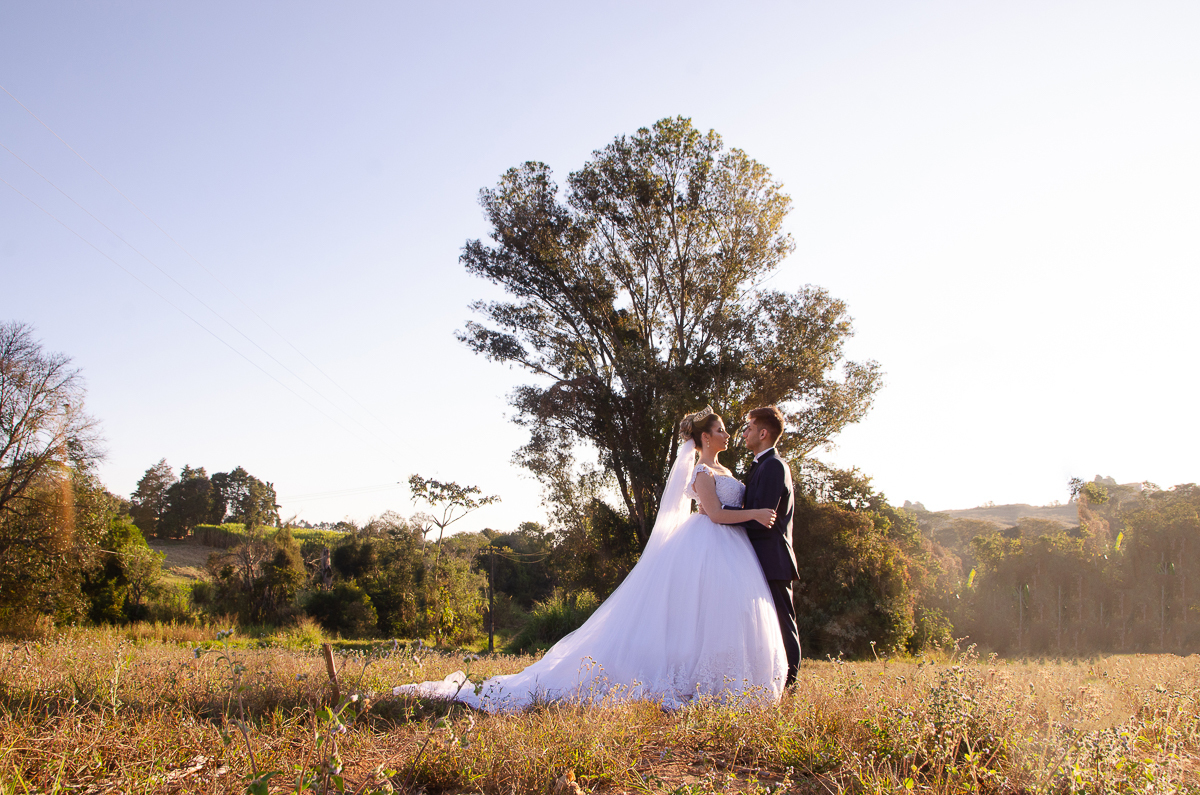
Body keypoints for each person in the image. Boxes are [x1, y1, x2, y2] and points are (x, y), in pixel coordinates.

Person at [393, 407, 787, 712]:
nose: (728, 433)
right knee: (691, 614)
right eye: (720, 429)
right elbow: (715, 514)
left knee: (715, 617)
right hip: (708, 543)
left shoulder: (728, 468)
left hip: (731, 553)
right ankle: (688, 679)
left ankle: (721, 679)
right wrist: (753, 514)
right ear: (705, 436)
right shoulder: (702, 470)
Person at [724, 406, 802, 687]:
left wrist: (721, 518)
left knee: (782, 624)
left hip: (773, 560)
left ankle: (790, 686)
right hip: (758, 559)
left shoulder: (773, 466)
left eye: (748, 428)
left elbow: (763, 519)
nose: (744, 433)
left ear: (763, 432)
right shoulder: (762, 464)